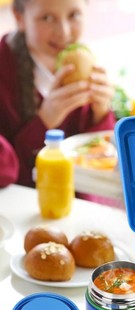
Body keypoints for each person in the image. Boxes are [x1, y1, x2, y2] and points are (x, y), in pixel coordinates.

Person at [0, 0, 115, 188]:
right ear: (19, 17)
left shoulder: (84, 65)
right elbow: (7, 173)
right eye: (46, 18)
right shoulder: (5, 70)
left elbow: (101, 165)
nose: (63, 32)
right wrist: (45, 121)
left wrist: (100, 113)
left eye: (74, 15)